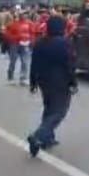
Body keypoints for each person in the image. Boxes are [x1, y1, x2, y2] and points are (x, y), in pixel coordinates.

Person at [26, 16, 77, 157]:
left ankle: (48, 138)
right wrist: (73, 82)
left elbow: (34, 63)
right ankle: (38, 136)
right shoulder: (65, 44)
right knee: (59, 111)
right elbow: (69, 65)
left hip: (43, 81)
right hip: (60, 82)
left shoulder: (40, 43)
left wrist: (33, 82)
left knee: (49, 108)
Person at [4, 11, 34, 85]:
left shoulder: (30, 24)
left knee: (25, 62)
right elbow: (7, 34)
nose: (24, 16)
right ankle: (10, 76)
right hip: (15, 44)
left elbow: (32, 33)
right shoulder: (13, 24)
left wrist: (30, 41)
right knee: (13, 61)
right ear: (20, 15)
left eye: (26, 14)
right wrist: (14, 38)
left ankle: (23, 78)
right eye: (23, 14)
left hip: (25, 44)